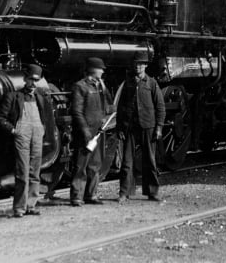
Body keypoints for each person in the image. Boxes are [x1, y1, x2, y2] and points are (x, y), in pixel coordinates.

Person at [0, 63, 49, 217]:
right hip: (22, 135)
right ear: (25, 79)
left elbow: (44, 118)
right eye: (31, 80)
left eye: (36, 81)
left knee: (35, 171)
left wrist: (42, 130)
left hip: (36, 135)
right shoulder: (13, 97)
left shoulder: (40, 98)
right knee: (22, 171)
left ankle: (31, 205)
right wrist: (13, 130)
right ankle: (19, 207)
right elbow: (1, 117)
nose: (33, 84)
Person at [116, 51, 166, 203]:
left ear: (145, 66)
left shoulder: (151, 83)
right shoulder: (128, 83)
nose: (138, 67)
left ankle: (152, 192)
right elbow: (121, 107)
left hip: (148, 126)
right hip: (130, 127)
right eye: (136, 64)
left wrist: (159, 128)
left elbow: (160, 107)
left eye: (141, 64)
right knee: (127, 162)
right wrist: (120, 128)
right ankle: (124, 192)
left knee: (150, 161)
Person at [69, 57, 114, 206]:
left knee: (95, 164)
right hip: (86, 132)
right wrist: (85, 131)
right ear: (92, 70)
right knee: (81, 165)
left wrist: (105, 88)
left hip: (98, 131)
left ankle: (91, 194)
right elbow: (77, 112)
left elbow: (109, 105)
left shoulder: (98, 86)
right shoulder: (80, 87)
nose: (102, 72)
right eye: (100, 69)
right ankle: (77, 196)